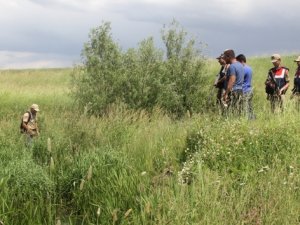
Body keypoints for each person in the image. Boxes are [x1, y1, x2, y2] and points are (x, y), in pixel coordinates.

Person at [222, 49, 245, 115]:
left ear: (229, 56)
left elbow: (232, 80)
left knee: (231, 112)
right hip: (240, 91)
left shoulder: (232, 66)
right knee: (238, 112)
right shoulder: (240, 65)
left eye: (225, 57)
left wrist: (226, 94)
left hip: (233, 92)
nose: (224, 59)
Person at [236, 54, 255, 120]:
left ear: (241, 61)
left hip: (244, 90)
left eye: (237, 62)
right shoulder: (249, 68)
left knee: (245, 107)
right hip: (249, 89)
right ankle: (253, 119)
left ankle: (247, 120)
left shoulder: (242, 69)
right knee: (250, 106)